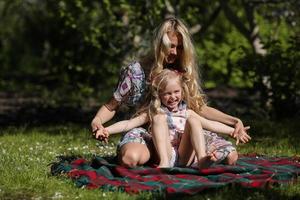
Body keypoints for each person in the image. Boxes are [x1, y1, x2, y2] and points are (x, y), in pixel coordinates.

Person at [91, 17, 251, 168]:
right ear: (159, 45)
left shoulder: (183, 71)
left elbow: (199, 108)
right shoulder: (136, 72)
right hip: (148, 131)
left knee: (231, 157)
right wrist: (98, 121)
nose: (174, 52)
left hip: (181, 133)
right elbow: (112, 106)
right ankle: (163, 159)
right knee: (129, 159)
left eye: (180, 47)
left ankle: (196, 158)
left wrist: (234, 122)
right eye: (170, 46)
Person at [96, 69, 249, 168]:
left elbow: (211, 124)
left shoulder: (187, 112)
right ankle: (164, 164)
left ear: (182, 91)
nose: (172, 97)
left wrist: (233, 131)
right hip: (165, 153)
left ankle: (202, 158)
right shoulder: (154, 111)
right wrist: (106, 129)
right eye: (167, 93)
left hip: (185, 154)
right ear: (159, 94)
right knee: (158, 118)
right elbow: (128, 124)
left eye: (176, 92)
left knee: (194, 120)